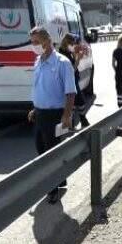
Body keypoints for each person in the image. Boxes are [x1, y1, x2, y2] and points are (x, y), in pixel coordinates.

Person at [28, 26, 76, 204]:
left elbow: (70, 92)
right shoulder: (38, 61)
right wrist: (35, 108)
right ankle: (59, 180)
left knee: (51, 154)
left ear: (47, 41)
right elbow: (40, 87)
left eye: (36, 42)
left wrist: (66, 115)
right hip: (40, 114)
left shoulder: (62, 63)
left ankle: (52, 188)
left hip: (55, 115)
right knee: (41, 149)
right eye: (32, 42)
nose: (34, 46)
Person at [59, 34, 90, 129]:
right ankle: (80, 121)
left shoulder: (67, 52)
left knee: (74, 102)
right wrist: (78, 59)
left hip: (73, 80)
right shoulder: (64, 54)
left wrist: (76, 54)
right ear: (67, 43)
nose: (73, 45)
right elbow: (72, 69)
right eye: (72, 44)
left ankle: (75, 123)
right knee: (79, 102)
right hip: (70, 80)